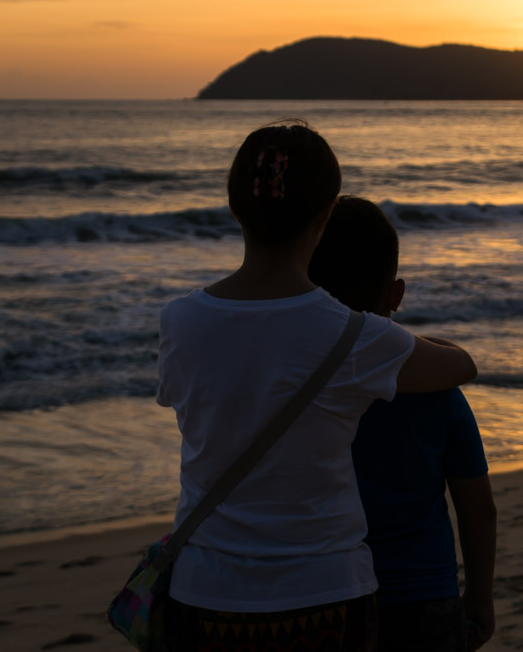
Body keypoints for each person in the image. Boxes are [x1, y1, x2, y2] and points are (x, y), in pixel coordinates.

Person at [156, 122, 477, 652]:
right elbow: (459, 366)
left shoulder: (181, 321)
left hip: (206, 589)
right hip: (324, 592)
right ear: (324, 216)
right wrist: (405, 337)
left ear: (235, 208)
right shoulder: (356, 336)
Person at [309, 196, 497, 651]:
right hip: (425, 594)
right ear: (396, 293)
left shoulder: (293, 383)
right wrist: (479, 598)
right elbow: (476, 507)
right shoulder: (438, 389)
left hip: (321, 592)